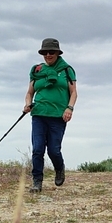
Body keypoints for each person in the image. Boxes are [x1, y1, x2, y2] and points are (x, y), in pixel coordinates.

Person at [24, 38, 77, 192]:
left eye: (51, 52)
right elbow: (29, 93)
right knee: (38, 149)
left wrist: (69, 108)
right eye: (45, 52)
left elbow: (73, 93)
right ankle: (37, 181)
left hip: (58, 116)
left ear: (57, 53)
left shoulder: (67, 70)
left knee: (53, 150)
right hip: (39, 114)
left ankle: (59, 168)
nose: (48, 54)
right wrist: (27, 104)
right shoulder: (37, 70)